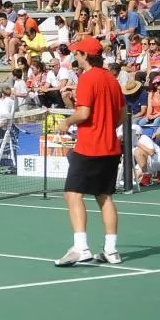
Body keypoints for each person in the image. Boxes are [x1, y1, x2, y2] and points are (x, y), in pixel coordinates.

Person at [54, 37, 125, 267]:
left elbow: (83, 113)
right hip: (111, 147)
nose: (75, 56)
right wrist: (106, 127)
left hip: (89, 148)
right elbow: (123, 115)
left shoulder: (87, 79)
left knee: (72, 194)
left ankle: (80, 247)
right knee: (104, 197)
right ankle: (111, 251)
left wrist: (66, 122)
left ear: (85, 55)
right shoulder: (112, 80)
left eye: (77, 53)